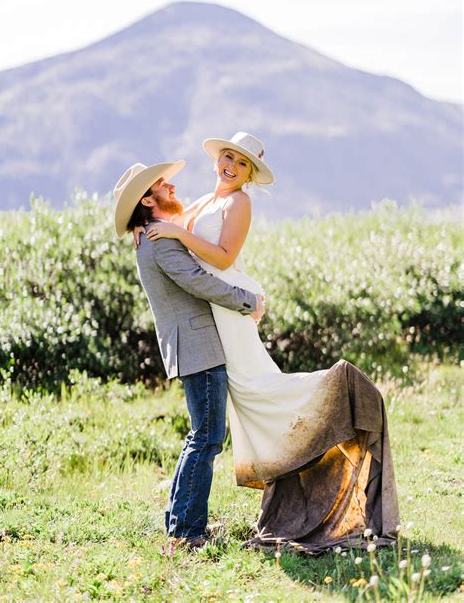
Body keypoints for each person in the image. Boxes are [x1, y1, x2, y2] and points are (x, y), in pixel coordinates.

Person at [135, 132, 400, 554]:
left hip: (227, 306)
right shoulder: (200, 203)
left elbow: (219, 257)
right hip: (214, 313)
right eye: (226, 157)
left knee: (253, 391)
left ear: (249, 174)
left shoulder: (239, 202)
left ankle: (331, 409)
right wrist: (153, 228)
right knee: (227, 416)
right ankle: (190, 523)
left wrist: (177, 237)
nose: (229, 166)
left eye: (240, 164)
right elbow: (174, 251)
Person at [112, 160, 265, 550]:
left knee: (202, 435)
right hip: (198, 346)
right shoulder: (158, 241)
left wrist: (142, 224)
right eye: (163, 185)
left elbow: (192, 218)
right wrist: (248, 301)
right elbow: (198, 282)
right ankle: (187, 532)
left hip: (192, 345)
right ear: (148, 199)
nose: (172, 187)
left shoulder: (151, 236)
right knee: (208, 437)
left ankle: (180, 523)